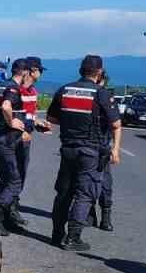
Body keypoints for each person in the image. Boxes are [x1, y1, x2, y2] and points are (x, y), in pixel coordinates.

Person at [50, 55, 120, 250]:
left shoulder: (65, 90)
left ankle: (57, 234)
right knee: (85, 194)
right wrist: (115, 149)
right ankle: (73, 237)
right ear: (99, 72)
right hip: (90, 151)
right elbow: (116, 124)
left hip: (68, 149)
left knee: (64, 192)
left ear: (81, 70)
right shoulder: (101, 93)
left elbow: (52, 118)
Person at [0, 59, 48, 232]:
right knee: (14, 181)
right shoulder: (13, 88)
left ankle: (3, 219)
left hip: (2, 137)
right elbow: (6, 106)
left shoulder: (0, 85)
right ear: (26, 72)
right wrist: (10, 122)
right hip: (8, 139)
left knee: (7, 179)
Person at [15, 58, 48, 222]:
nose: (40, 73)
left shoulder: (33, 92)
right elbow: (13, 114)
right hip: (15, 137)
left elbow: (29, 115)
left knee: (21, 173)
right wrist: (21, 132)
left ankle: (12, 207)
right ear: (33, 70)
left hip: (27, 137)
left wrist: (37, 123)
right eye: (40, 70)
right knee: (13, 176)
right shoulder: (17, 90)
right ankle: (5, 212)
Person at [89, 69, 116, 232]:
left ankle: (99, 216)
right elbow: (115, 123)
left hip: (93, 145)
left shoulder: (96, 96)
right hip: (100, 145)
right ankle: (100, 217)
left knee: (90, 181)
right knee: (102, 182)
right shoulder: (104, 96)